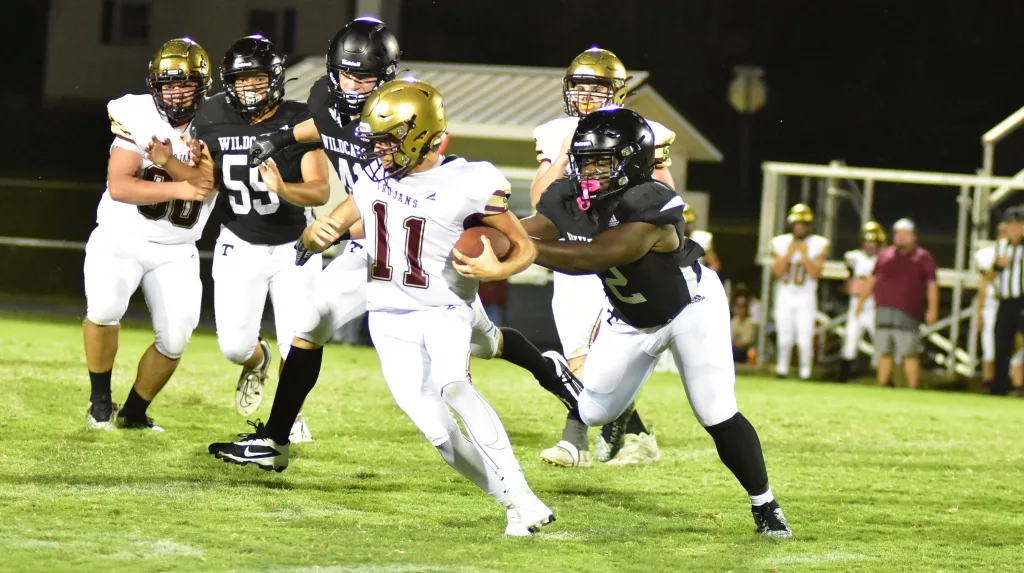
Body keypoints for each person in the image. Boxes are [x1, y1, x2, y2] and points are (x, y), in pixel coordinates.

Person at [216, 78, 556, 536]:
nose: (377, 150)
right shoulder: (378, 172)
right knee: (440, 435)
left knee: (455, 386)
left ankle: (524, 495)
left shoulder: (468, 181)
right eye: (375, 140)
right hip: (388, 316)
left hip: (442, 308)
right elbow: (344, 214)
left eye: (387, 140)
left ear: (420, 134)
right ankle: (514, 504)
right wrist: (322, 231)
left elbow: (524, 246)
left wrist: (499, 269)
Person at [244, 17, 588, 468]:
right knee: (310, 322)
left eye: (365, 78)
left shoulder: (406, 118)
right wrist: (283, 137)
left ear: (386, 78)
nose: (354, 86)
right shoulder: (326, 98)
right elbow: (327, 127)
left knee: (485, 344)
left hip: (417, 249)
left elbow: (406, 200)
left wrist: (340, 226)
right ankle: (275, 441)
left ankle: (546, 377)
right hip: (370, 248)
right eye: (347, 75)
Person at [461, 106, 791, 538]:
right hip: (630, 319)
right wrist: (486, 236)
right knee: (592, 411)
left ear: (633, 160)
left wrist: (523, 253)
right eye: (584, 161)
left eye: (602, 161)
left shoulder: (651, 200)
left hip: (691, 308)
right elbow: (530, 229)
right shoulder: (568, 196)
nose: (590, 172)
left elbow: (598, 255)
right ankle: (553, 369)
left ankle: (765, 505)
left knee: (716, 412)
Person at [163, 35, 328, 441]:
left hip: (294, 246)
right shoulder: (211, 114)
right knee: (234, 347)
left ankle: (291, 417)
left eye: (257, 78)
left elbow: (320, 191)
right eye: (241, 79)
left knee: (297, 342)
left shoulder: (299, 119)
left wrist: (283, 188)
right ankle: (257, 362)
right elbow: (207, 180)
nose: (249, 87)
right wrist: (181, 163)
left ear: (275, 79)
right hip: (238, 241)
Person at [530, 47, 676, 468]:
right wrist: (566, 152)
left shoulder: (643, 131)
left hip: (616, 256)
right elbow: (541, 201)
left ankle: (574, 441)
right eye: (580, 86)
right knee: (579, 359)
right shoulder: (555, 132)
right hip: (572, 250)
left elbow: (665, 198)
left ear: (618, 91)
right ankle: (636, 436)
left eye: (597, 87)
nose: (587, 95)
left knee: (602, 356)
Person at [84, 38, 215, 432]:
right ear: (155, 86)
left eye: (185, 84)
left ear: (202, 86)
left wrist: (172, 163)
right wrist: (180, 186)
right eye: (168, 84)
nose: (176, 93)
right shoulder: (139, 114)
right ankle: (100, 401)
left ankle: (135, 412)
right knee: (104, 309)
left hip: (177, 247)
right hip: (122, 236)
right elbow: (120, 185)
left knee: (175, 340)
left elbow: (208, 184)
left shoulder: (218, 123)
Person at [856, 218, 937, 389]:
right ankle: (883, 384)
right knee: (883, 350)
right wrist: (860, 302)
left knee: (909, 352)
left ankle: (912, 387)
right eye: (898, 233)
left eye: (904, 234)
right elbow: (872, 279)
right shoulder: (885, 255)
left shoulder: (923, 257)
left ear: (913, 236)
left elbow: (932, 284)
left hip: (908, 311)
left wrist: (932, 308)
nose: (900, 237)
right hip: (884, 309)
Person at [770, 204, 829, 380]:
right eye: (797, 224)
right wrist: (789, 253)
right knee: (784, 337)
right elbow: (777, 272)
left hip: (806, 295)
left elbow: (815, 274)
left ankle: (805, 372)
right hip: (785, 293)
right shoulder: (780, 242)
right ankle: (782, 369)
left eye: (803, 224)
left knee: (805, 338)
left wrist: (804, 255)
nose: (800, 227)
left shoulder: (818, 243)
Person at [837, 221, 885, 382]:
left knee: (879, 341)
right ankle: (843, 376)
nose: (869, 245)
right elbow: (848, 280)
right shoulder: (854, 257)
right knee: (850, 339)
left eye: (873, 241)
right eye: (867, 241)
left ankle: (881, 376)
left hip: (875, 305)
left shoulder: (882, 259)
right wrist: (849, 286)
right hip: (856, 305)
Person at [983, 207, 1024, 395]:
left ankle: (1018, 384)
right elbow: (988, 276)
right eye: (1010, 225)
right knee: (1001, 343)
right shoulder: (1000, 246)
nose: (1013, 229)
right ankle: (999, 387)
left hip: (1022, 300)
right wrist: (996, 266)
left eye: (1017, 225)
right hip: (1005, 301)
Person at [683, 203, 721, 272]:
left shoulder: (701, 238)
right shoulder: (667, 239)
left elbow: (713, 263)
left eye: (689, 223)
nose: (687, 227)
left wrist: (707, 276)